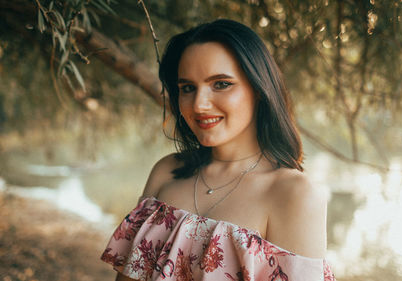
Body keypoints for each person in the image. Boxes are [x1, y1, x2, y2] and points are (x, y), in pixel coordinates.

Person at [101, 19, 336, 281]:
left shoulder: (294, 194)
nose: (199, 105)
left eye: (221, 84)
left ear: (259, 89)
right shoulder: (167, 171)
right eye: (188, 88)